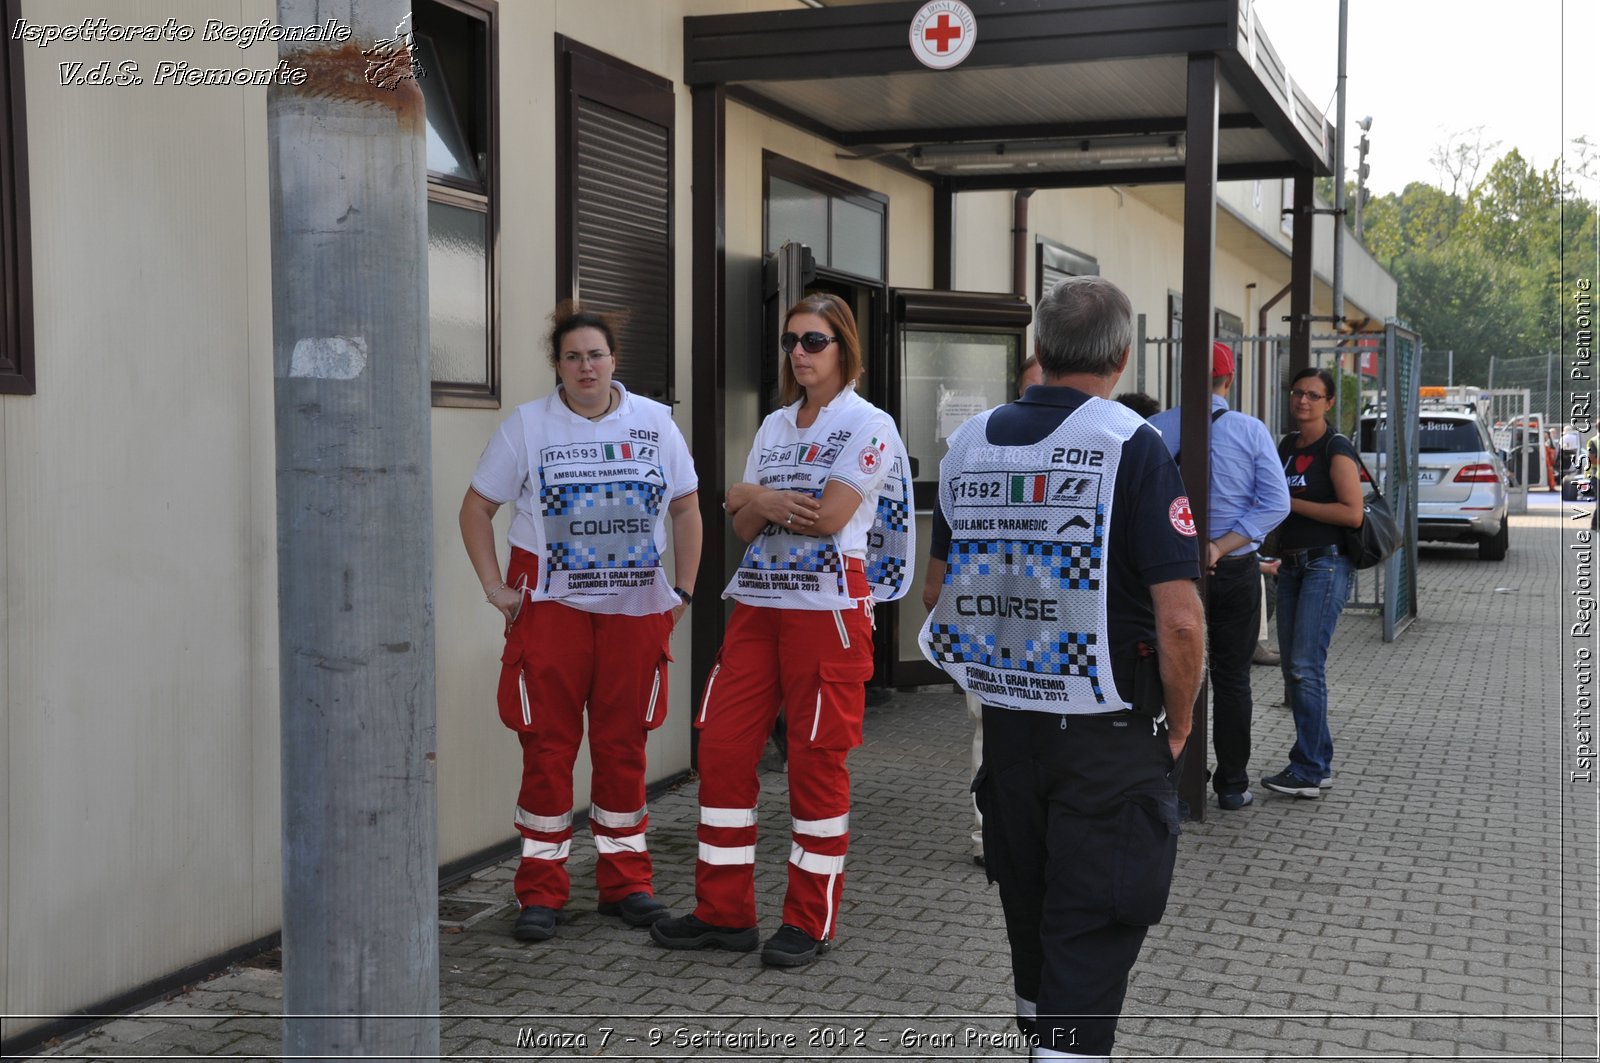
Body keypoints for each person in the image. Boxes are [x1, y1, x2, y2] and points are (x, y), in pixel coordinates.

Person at [920, 276, 1205, 1061]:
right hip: (1108, 745)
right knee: (1087, 943)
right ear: (1119, 355)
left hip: (1011, 736)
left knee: (1035, 930)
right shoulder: (1131, 443)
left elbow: (936, 590)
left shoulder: (969, 442)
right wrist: (1181, 724)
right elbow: (1180, 619)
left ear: (1038, 350)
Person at [651, 292, 914, 968]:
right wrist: (757, 502)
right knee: (724, 751)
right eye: (792, 340)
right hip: (759, 608)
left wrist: (754, 496)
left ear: (844, 348)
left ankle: (809, 920)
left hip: (828, 615)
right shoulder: (773, 426)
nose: (799, 352)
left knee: (816, 765)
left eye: (814, 341)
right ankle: (724, 910)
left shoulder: (870, 424)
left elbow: (827, 517)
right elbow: (740, 527)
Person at [459, 302, 702, 942]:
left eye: (595, 354)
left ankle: (627, 884)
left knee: (624, 747)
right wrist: (495, 588)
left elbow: (686, 510)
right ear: (558, 366)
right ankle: (541, 892)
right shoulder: (528, 427)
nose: (585, 366)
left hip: (634, 615)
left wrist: (683, 591)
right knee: (547, 748)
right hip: (551, 614)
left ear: (613, 359)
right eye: (572, 357)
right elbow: (476, 508)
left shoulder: (655, 422)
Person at [1148, 342, 1290, 810]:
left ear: (1185, 379)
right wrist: (1221, 545)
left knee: (1172, 676)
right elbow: (1276, 503)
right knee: (1232, 680)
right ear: (1227, 381)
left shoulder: (1154, 430)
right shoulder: (1251, 431)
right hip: (1234, 570)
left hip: (1171, 574)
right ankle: (1231, 786)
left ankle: (1178, 782)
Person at [924, 356, 1044, 868]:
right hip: (995, 633)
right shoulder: (974, 461)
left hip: (1059, 640)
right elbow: (935, 581)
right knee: (990, 733)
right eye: (1033, 394)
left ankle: (1022, 838)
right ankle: (989, 837)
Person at [1262, 366, 1364, 799]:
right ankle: (1315, 762)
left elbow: (1352, 513)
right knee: (1294, 668)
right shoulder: (1286, 446)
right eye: (1297, 392)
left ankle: (1308, 768)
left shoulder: (1335, 447)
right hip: (1291, 566)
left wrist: (1294, 504)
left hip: (1326, 565)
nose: (1303, 401)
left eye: (1313, 395)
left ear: (1328, 403)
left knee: (1305, 667)